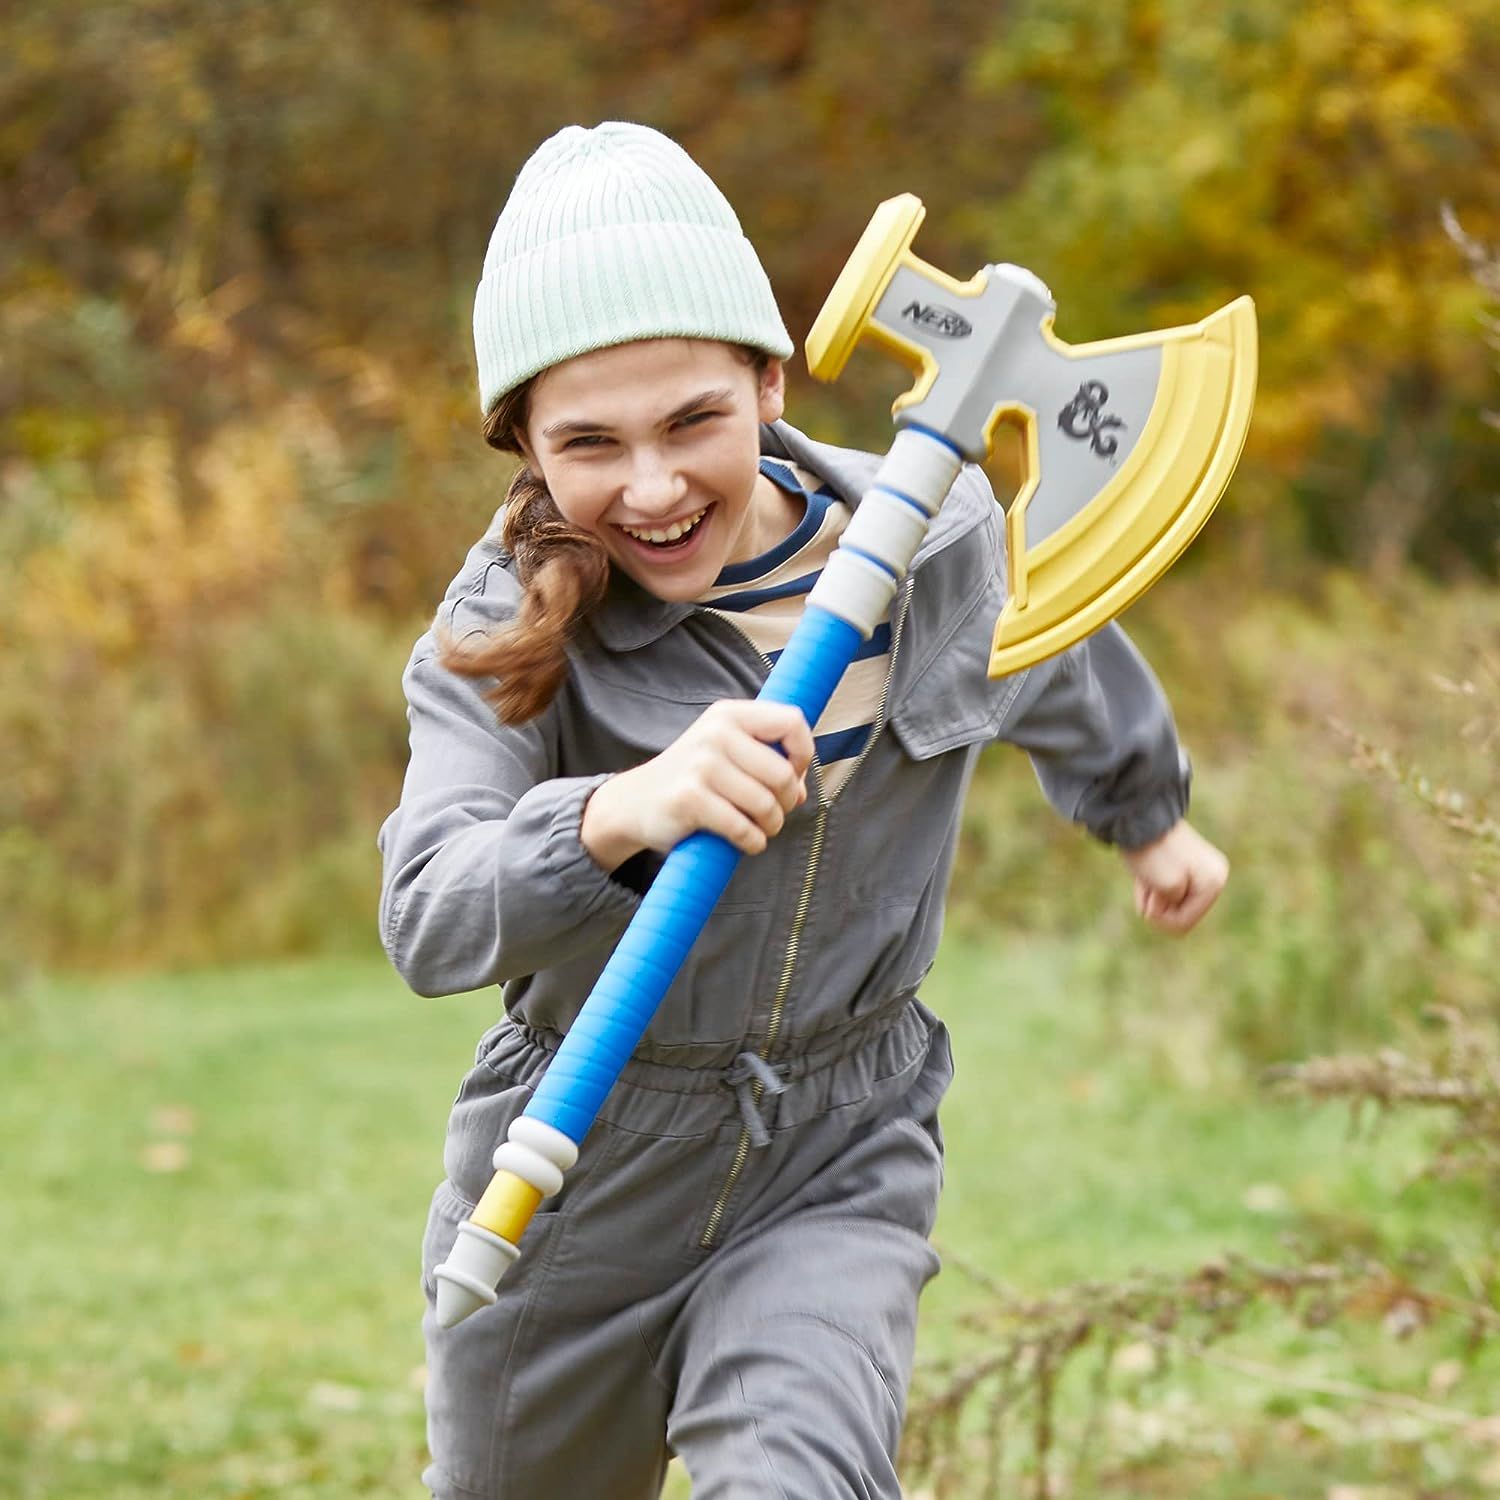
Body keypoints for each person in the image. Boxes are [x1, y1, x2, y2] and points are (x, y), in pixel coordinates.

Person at [378, 120, 1229, 1500]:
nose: (651, 487)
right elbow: (428, 915)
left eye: (693, 422)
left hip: (839, 1144)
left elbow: (1056, 648)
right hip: (579, 1168)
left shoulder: (935, 541)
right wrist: (622, 810)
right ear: (523, 444)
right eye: (590, 443)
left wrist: (1148, 811)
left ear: (768, 381)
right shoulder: (500, 634)